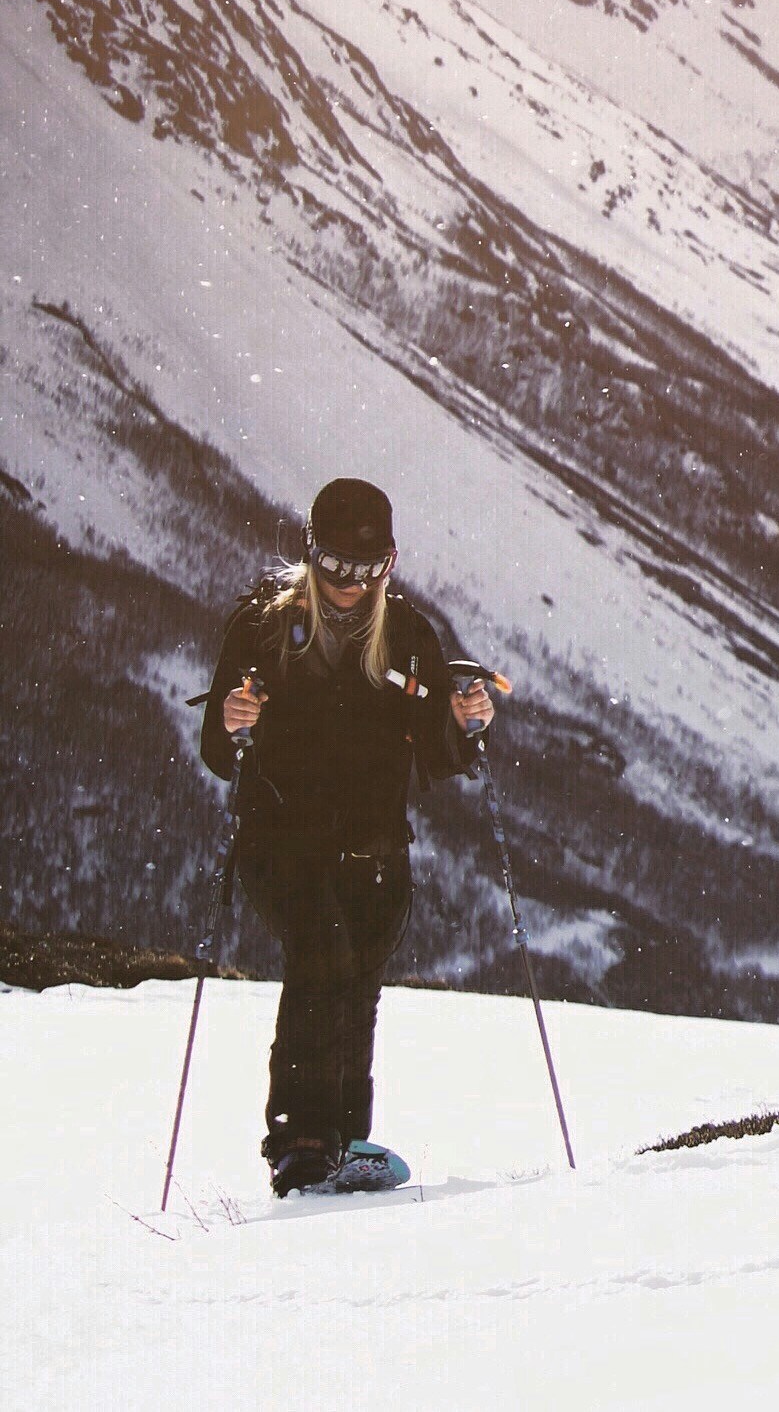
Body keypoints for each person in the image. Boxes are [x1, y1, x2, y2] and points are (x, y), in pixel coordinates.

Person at [197, 477, 499, 1195]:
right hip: (283, 842)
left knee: (357, 974)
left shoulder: (409, 638)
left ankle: (345, 1140)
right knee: (323, 952)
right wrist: (234, 722)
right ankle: (303, 1139)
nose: (350, 584)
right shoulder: (262, 629)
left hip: (375, 848)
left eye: (368, 570)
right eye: (335, 566)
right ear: (312, 554)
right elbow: (219, 750)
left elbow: (437, 753)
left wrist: (464, 723)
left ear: (389, 563)